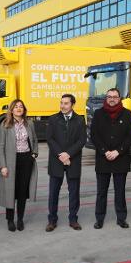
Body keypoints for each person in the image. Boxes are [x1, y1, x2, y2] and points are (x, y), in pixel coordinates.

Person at [90, 88, 131, 229]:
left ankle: (121, 218)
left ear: (119, 98)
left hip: (120, 159)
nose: (112, 99)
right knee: (101, 192)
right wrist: (105, 151)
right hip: (103, 159)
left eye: (115, 97)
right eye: (109, 96)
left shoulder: (127, 114)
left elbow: (130, 136)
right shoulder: (98, 114)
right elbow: (94, 135)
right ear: (106, 98)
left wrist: (118, 151)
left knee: (120, 191)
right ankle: (99, 219)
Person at [45, 94, 87, 232]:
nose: (63, 106)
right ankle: (52, 220)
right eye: (61, 103)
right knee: (53, 192)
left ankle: (73, 219)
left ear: (72, 104)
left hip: (73, 160)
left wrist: (68, 154)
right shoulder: (53, 119)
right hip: (56, 161)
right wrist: (61, 155)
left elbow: (81, 141)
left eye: (66, 103)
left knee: (74, 192)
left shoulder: (80, 120)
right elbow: (50, 139)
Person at [0, 99, 39, 232]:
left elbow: (34, 140)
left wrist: (34, 154)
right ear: (12, 109)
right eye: (16, 107)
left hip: (26, 159)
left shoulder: (29, 123)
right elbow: (0, 147)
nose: (19, 109)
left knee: (22, 191)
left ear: (24, 109)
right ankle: (10, 220)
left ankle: (20, 219)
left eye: (21, 106)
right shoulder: (5, 124)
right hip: (11, 161)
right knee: (11, 191)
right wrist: (3, 166)